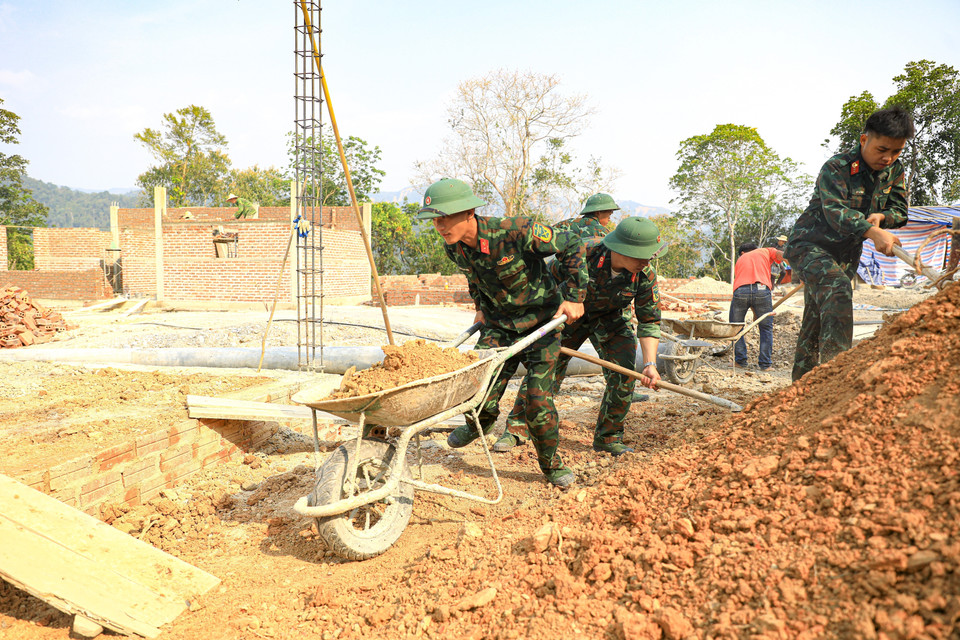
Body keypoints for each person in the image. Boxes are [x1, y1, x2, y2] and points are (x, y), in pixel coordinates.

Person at [415, 178, 587, 488]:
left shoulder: (515, 231)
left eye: (444, 217)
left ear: (468, 212)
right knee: (475, 389)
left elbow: (571, 244)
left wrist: (574, 296)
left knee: (537, 403)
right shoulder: (454, 247)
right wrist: (480, 306)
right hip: (499, 326)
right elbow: (475, 278)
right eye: (434, 219)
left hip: (541, 325)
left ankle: (552, 466)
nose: (439, 226)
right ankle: (480, 422)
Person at [497, 217, 666, 456]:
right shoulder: (583, 253)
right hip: (568, 314)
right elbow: (542, 283)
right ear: (621, 249)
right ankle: (517, 428)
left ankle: (608, 437)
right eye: (641, 256)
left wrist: (649, 364)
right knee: (545, 368)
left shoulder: (645, 274)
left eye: (649, 256)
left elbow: (649, 321)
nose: (646, 261)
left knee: (624, 373)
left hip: (610, 318)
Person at [784, 106, 913, 382]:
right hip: (809, 246)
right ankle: (835, 381)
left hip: (846, 253)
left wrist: (882, 217)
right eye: (882, 149)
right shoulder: (837, 168)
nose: (888, 158)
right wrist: (872, 232)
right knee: (839, 289)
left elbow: (901, 211)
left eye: (896, 151)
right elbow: (835, 213)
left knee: (817, 315)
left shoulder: (894, 171)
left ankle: (801, 388)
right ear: (864, 139)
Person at [730, 242, 785, 371]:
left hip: (741, 290)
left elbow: (749, 289)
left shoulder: (741, 259)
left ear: (743, 253)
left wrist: (756, 313)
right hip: (762, 289)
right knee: (766, 328)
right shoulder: (765, 251)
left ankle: (740, 361)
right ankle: (765, 365)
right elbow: (781, 255)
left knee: (735, 327)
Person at [555, 192, 620, 237]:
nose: (609, 219)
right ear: (598, 212)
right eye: (609, 214)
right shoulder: (603, 233)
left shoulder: (565, 224)